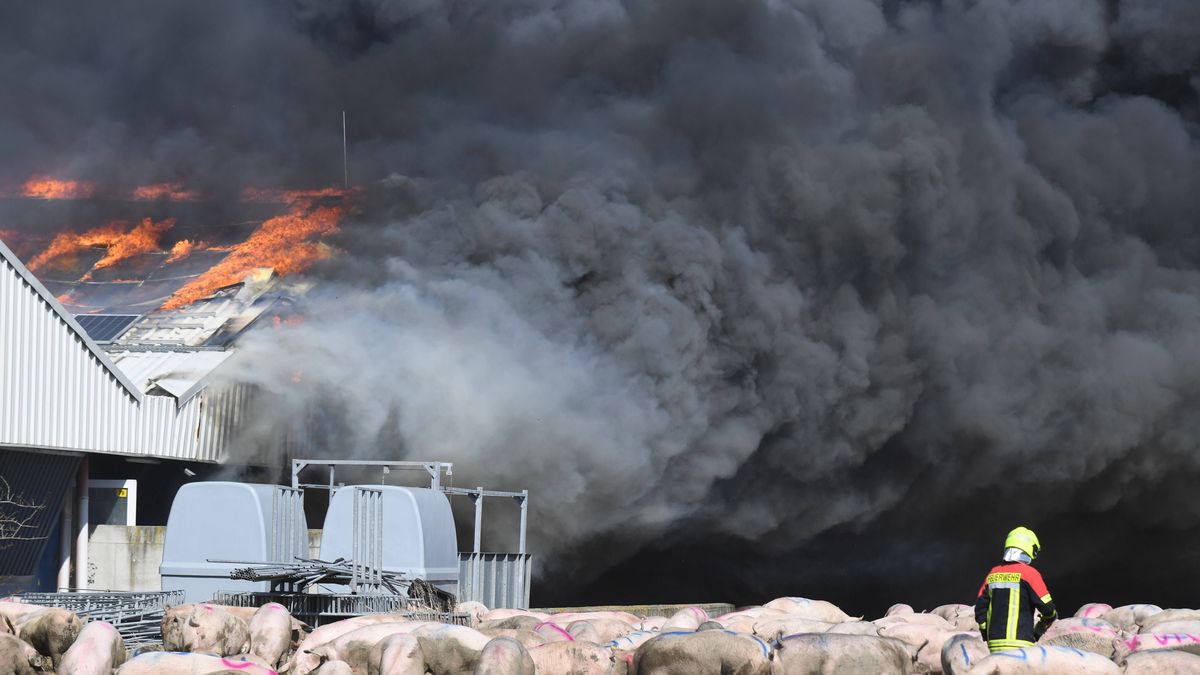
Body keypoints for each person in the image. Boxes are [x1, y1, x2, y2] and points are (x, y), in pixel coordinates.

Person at [974, 526, 1057, 652]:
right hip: (1021, 645)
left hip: (994, 644)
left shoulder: (993, 573)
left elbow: (980, 608)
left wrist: (985, 632)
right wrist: (1044, 623)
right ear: (1030, 549)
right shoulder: (1030, 574)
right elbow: (1048, 609)